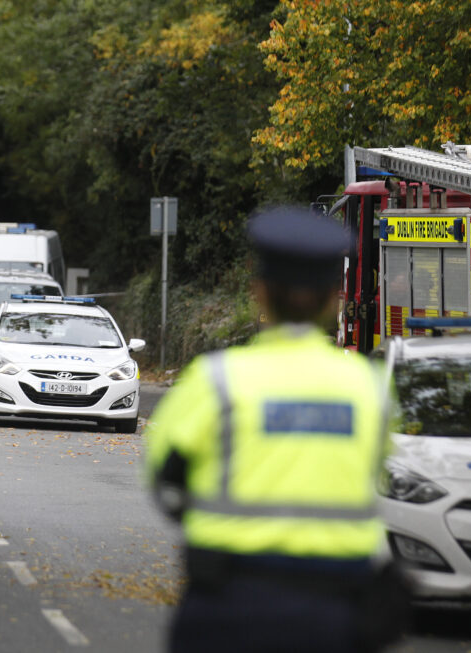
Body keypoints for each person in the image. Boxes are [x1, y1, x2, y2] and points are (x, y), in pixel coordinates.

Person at [144, 206, 408, 653]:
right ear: (333, 298)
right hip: (337, 616)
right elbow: (385, 477)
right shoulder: (370, 388)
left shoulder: (216, 380)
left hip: (229, 610)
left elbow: (166, 483)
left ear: (260, 292)